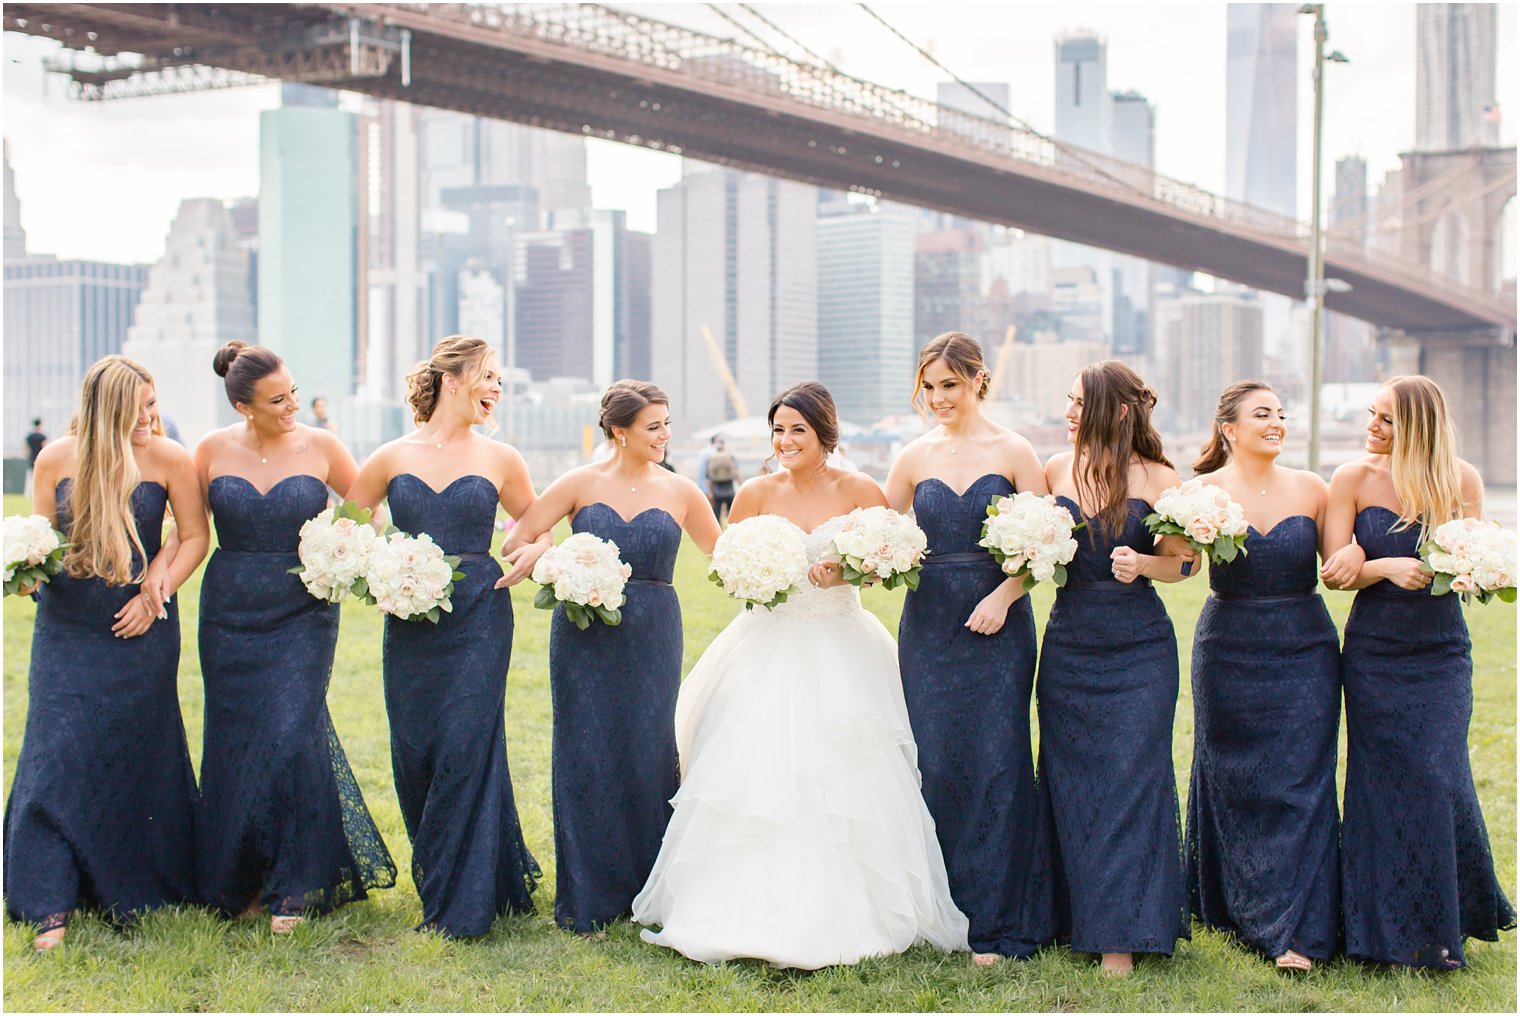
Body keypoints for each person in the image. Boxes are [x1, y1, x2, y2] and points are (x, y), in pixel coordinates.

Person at [633, 381, 969, 969]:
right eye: (778, 430)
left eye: (798, 431)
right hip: (768, 643)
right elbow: (730, 569)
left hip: (843, 642)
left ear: (824, 434)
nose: (785, 441)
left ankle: (852, 910)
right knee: (756, 773)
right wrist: (759, 579)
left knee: (850, 776)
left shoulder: (861, 489)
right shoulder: (754, 493)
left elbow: (886, 561)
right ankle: (738, 909)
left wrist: (849, 573)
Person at [3, 356, 208, 951]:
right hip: (67, 629)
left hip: (141, 629)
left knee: (136, 748)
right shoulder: (56, 458)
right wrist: (24, 572)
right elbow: (40, 539)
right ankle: (47, 898)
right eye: (137, 408)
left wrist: (157, 589)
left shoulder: (169, 459)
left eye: (153, 402)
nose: (150, 416)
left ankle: (134, 884)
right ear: (104, 410)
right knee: (57, 750)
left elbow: (193, 535)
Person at [190, 341, 395, 933]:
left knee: (290, 732)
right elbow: (189, 531)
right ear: (242, 405)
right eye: (277, 400)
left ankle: (296, 885)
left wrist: (344, 549)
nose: (292, 406)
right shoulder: (208, 449)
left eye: (294, 392)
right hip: (228, 609)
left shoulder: (323, 445)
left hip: (304, 609)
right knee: (232, 740)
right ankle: (240, 880)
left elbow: (368, 512)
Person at [504, 381, 721, 935]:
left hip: (652, 632)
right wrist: (550, 553)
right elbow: (521, 537)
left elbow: (724, 559)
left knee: (649, 751)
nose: (666, 435)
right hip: (582, 632)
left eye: (668, 423)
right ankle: (587, 893)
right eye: (654, 426)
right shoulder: (579, 482)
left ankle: (648, 887)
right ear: (619, 431)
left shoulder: (682, 491)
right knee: (584, 750)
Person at [348, 336, 546, 938]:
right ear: (452, 381)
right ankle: (451, 869)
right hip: (408, 619)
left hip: (480, 616)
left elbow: (531, 530)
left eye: (500, 382)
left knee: (467, 744)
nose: (496, 390)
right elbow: (346, 535)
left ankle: (460, 902)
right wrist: (384, 570)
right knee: (415, 751)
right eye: (489, 377)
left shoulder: (502, 459)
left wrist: (535, 550)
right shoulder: (388, 457)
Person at [1320, 375, 1515, 968]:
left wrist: (1482, 568)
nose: (1371, 428)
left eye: (1385, 420)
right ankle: (1376, 930)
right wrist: (1377, 563)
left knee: (1437, 774)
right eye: (1371, 415)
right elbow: (1334, 573)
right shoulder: (1351, 479)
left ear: (1417, 428)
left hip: (1441, 652)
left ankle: (1440, 925)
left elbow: (1478, 569)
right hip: (1375, 650)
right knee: (1379, 783)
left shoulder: (1462, 480)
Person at [883, 332, 1053, 965]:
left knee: (998, 760)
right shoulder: (910, 457)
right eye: (928, 387)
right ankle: (938, 907)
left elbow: (1046, 544)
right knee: (936, 759)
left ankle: (999, 917)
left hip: (998, 622)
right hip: (927, 625)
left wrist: (1004, 596)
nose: (938, 398)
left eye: (949, 385)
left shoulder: (1015, 450)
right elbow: (878, 532)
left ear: (978, 380)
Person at [1036, 360, 1192, 976]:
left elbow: (1186, 565)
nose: (1068, 412)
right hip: (1069, 643)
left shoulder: (1159, 477)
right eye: (1067, 401)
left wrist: (1144, 565)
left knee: (1131, 780)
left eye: (1079, 402)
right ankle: (1070, 915)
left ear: (1119, 411)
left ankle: (1121, 936)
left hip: (1139, 649)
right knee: (1071, 779)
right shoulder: (1053, 469)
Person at [1183, 381, 1340, 971]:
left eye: (1280, 413)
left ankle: (1301, 929)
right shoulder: (1201, 492)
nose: (1276, 422)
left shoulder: (1314, 488)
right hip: (1228, 646)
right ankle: (1236, 901)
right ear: (1229, 428)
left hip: (1306, 647)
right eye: (1261, 414)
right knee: (1234, 778)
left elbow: (1339, 569)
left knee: (1303, 782)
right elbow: (1180, 563)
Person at [705, 436, 738, 525]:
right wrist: (740, 484)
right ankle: (732, 527)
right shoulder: (730, 456)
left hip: (716, 488)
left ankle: (718, 530)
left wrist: (710, 492)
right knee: (732, 512)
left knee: (717, 513)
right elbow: (736, 472)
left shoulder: (711, 457)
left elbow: (708, 476)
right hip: (729, 487)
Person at [23, 417, 46, 498]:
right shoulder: (42, 436)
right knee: (40, 477)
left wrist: (28, 455)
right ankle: (38, 493)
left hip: (31, 458)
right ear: (40, 424)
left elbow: (25, 448)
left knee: (30, 478)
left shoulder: (29, 436)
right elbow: (45, 447)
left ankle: (28, 495)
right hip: (40, 459)